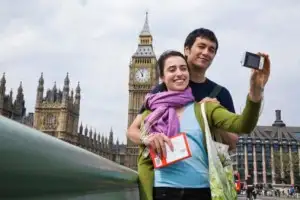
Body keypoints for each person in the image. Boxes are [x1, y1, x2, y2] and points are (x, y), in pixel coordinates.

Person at [127, 50, 270, 200]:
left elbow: (244, 125)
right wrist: (147, 138)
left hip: (200, 191)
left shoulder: (205, 108)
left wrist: (255, 89)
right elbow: (132, 131)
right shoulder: (151, 114)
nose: (179, 73)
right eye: (172, 69)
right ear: (162, 77)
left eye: (183, 68)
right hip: (162, 191)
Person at [136, 28, 238, 151]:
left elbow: (232, 143)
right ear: (187, 50)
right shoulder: (163, 89)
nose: (206, 52)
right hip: (167, 165)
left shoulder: (221, 93)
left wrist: (208, 117)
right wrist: (148, 138)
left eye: (211, 50)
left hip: (203, 167)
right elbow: (133, 130)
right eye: (201, 46)